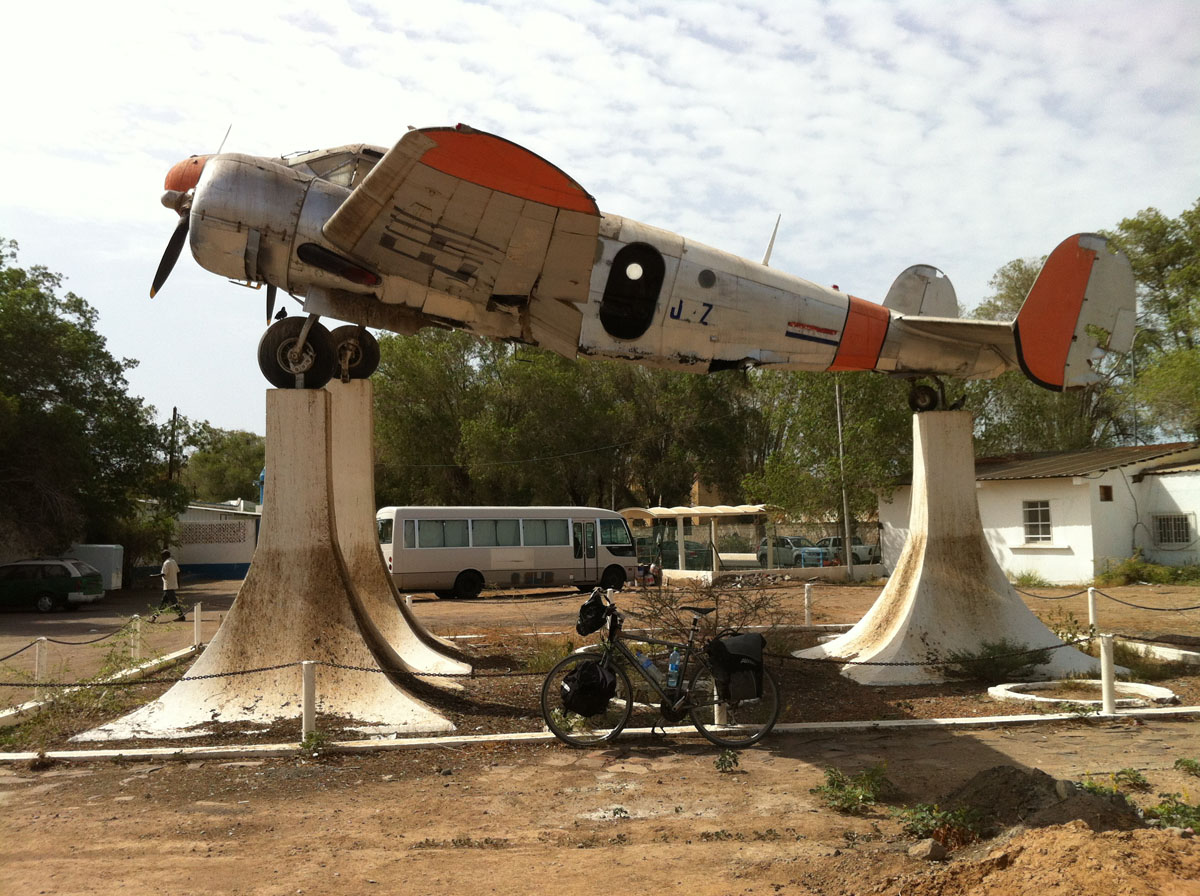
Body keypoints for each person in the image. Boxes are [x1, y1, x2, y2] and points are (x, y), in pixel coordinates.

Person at [151, 550, 185, 622]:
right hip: (171, 585)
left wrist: (153, 576)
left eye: (162, 556)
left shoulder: (166, 563)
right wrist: (178, 583)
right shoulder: (173, 561)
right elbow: (178, 572)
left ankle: (182, 616)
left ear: (165, 556)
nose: (162, 557)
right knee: (164, 602)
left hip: (168, 585)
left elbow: (163, 574)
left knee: (173, 602)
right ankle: (154, 617)